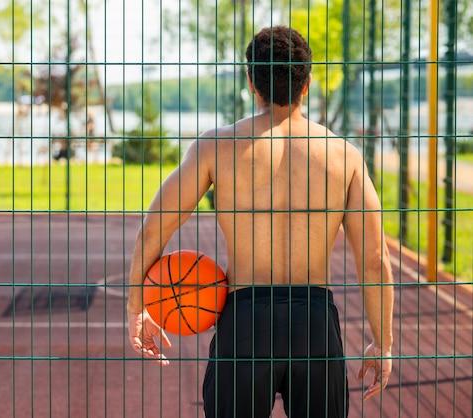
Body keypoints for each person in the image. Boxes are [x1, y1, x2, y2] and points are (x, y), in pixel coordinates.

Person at [126, 26, 394, 418]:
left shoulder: (216, 147)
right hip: (313, 322)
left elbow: (154, 227)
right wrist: (382, 344)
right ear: (308, 83)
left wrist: (138, 306)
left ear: (251, 81)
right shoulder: (344, 156)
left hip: (247, 319)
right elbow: (373, 258)